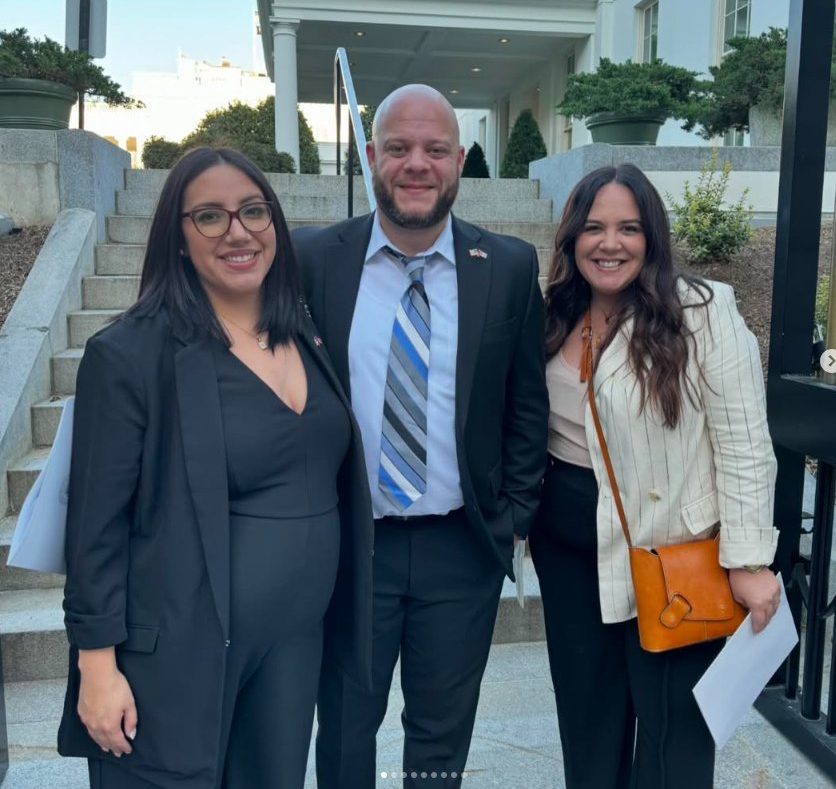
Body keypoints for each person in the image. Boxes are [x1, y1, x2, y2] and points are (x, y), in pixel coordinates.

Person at [57, 146, 373, 789]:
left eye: (254, 211)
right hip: (177, 653)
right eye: (210, 217)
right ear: (176, 237)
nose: (239, 232)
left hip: (293, 649)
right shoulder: (130, 354)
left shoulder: (305, 333)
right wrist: (96, 666)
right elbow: (94, 526)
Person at [294, 84, 548, 789]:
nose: (417, 164)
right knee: (344, 721)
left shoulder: (509, 267)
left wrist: (513, 514)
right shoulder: (314, 260)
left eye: (435, 149)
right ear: (371, 155)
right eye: (400, 148)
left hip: (459, 546)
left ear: (459, 160)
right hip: (351, 543)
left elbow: (527, 405)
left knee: (441, 734)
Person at [532, 162, 781, 789]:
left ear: (652, 237)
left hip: (673, 554)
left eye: (628, 228)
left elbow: (745, 441)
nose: (609, 243)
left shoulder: (701, 311)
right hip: (569, 555)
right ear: (571, 239)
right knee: (587, 724)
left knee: (673, 739)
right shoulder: (553, 314)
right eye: (592, 228)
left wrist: (749, 559)